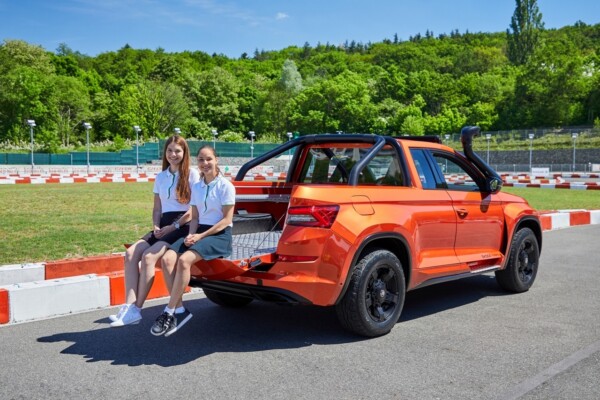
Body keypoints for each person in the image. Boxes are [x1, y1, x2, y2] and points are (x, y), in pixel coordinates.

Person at [109, 135, 200, 327]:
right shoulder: (161, 176)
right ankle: (129, 306)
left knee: (149, 257)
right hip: (163, 223)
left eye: (177, 151)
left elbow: (194, 209)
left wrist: (173, 226)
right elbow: (157, 208)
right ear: (165, 153)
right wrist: (156, 226)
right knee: (130, 254)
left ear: (184, 153)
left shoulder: (192, 175)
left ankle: (137, 309)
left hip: (182, 224)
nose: (173, 154)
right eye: (169, 151)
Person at [150, 145, 235, 337]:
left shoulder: (226, 186)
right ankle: (180, 309)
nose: (205, 164)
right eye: (201, 160)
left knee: (184, 260)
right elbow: (195, 217)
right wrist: (192, 234)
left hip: (219, 234)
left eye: (208, 159)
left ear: (216, 160)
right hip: (198, 231)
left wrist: (200, 237)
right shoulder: (197, 187)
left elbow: (226, 220)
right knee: (167, 260)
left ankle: (169, 312)